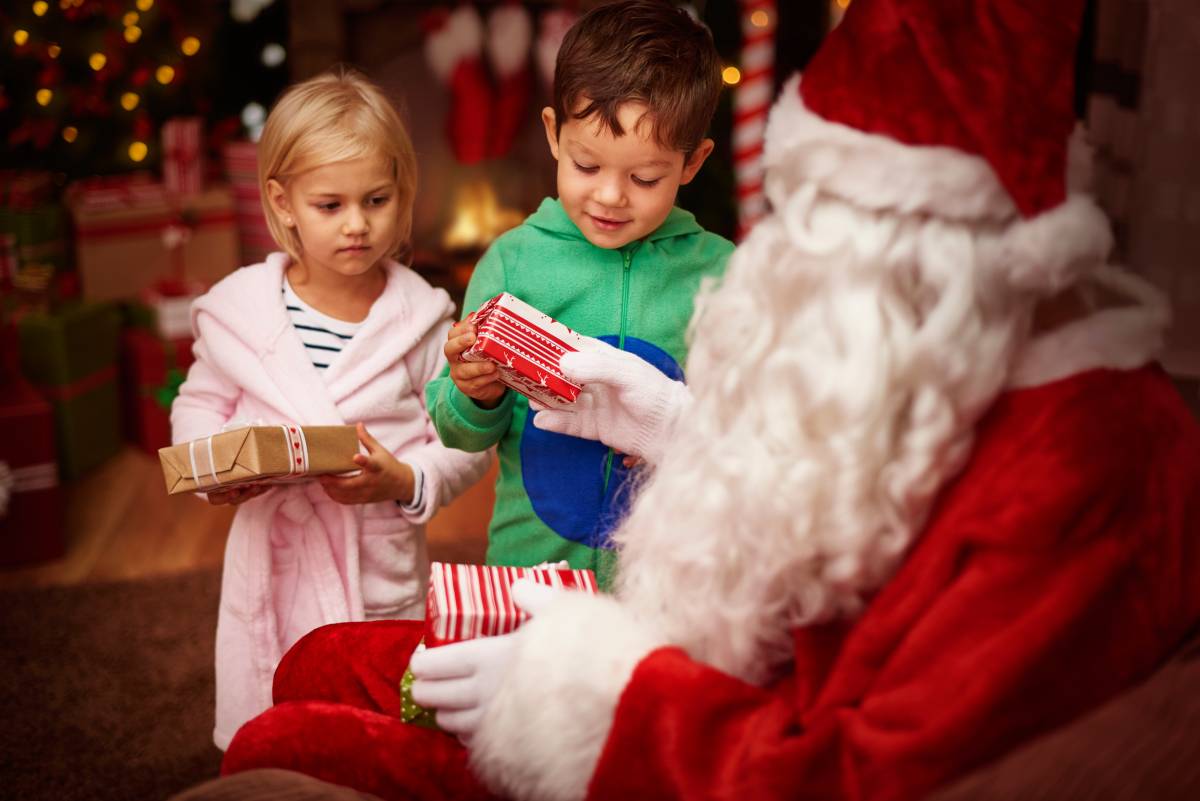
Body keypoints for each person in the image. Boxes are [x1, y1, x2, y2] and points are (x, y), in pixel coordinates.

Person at [216, 1, 1200, 799]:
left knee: (285, 738)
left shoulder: (1073, 470)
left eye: (822, 241)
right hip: (599, 605)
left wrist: (584, 702)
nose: (609, 195)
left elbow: (850, 757)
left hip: (660, 703)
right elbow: (803, 491)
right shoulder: (911, 378)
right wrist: (674, 425)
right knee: (315, 667)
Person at [170, 68, 490, 750]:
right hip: (275, 550)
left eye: (377, 199)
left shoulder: (421, 321)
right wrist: (220, 470)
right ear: (283, 203)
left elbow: (467, 438)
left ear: (403, 193)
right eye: (330, 205)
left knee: (369, 728)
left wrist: (404, 481)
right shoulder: (242, 313)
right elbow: (196, 405)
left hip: (372, 559)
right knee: (275, 721)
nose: (358, 224)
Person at [424, 0, 733, 588]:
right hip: (530, 574)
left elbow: (757, 426)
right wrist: (475, 394)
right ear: (553, 135)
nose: (611, 196)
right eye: (586, 165)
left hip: (676, 581)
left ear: (693, 162)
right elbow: (458, 432)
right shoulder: (513, 264)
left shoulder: (723, 274)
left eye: (644, 178)